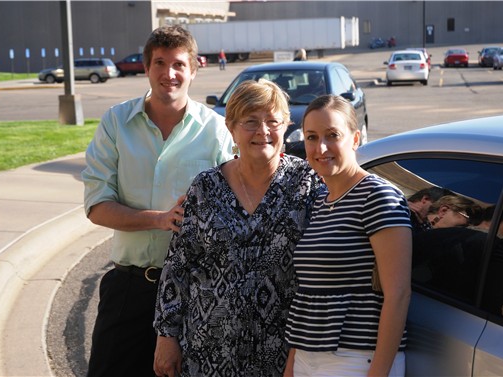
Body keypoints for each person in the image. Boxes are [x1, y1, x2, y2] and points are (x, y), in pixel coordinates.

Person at [81, 25, 234, 377]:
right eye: (160, 63)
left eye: (179, 64)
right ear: (146, 68)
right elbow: (96, 206)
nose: (169, 73)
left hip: (193, 294)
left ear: (194, 70)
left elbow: (231, 206)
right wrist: (159, 219)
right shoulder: (116, 123)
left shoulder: (216, 130)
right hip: (128, 289)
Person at [153, 79, 326, 377]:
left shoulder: (307, 183)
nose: (263, 131)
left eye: (273, 121)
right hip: (208, 352)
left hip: (284, 352)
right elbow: (177, 267)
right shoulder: (205, 187)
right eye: (251, 122)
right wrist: (166, 336)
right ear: (231, 128)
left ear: (285, 126)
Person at [284, 95, 413, 376]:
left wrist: (378, 373)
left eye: (333, 135)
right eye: (311, 137)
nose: (321, 147)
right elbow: (309, 290)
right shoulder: (319, 199)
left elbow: (398, 294)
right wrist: (293, 364)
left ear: (355, 139)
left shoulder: (378, 196)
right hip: (308, 356)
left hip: (356, 361)